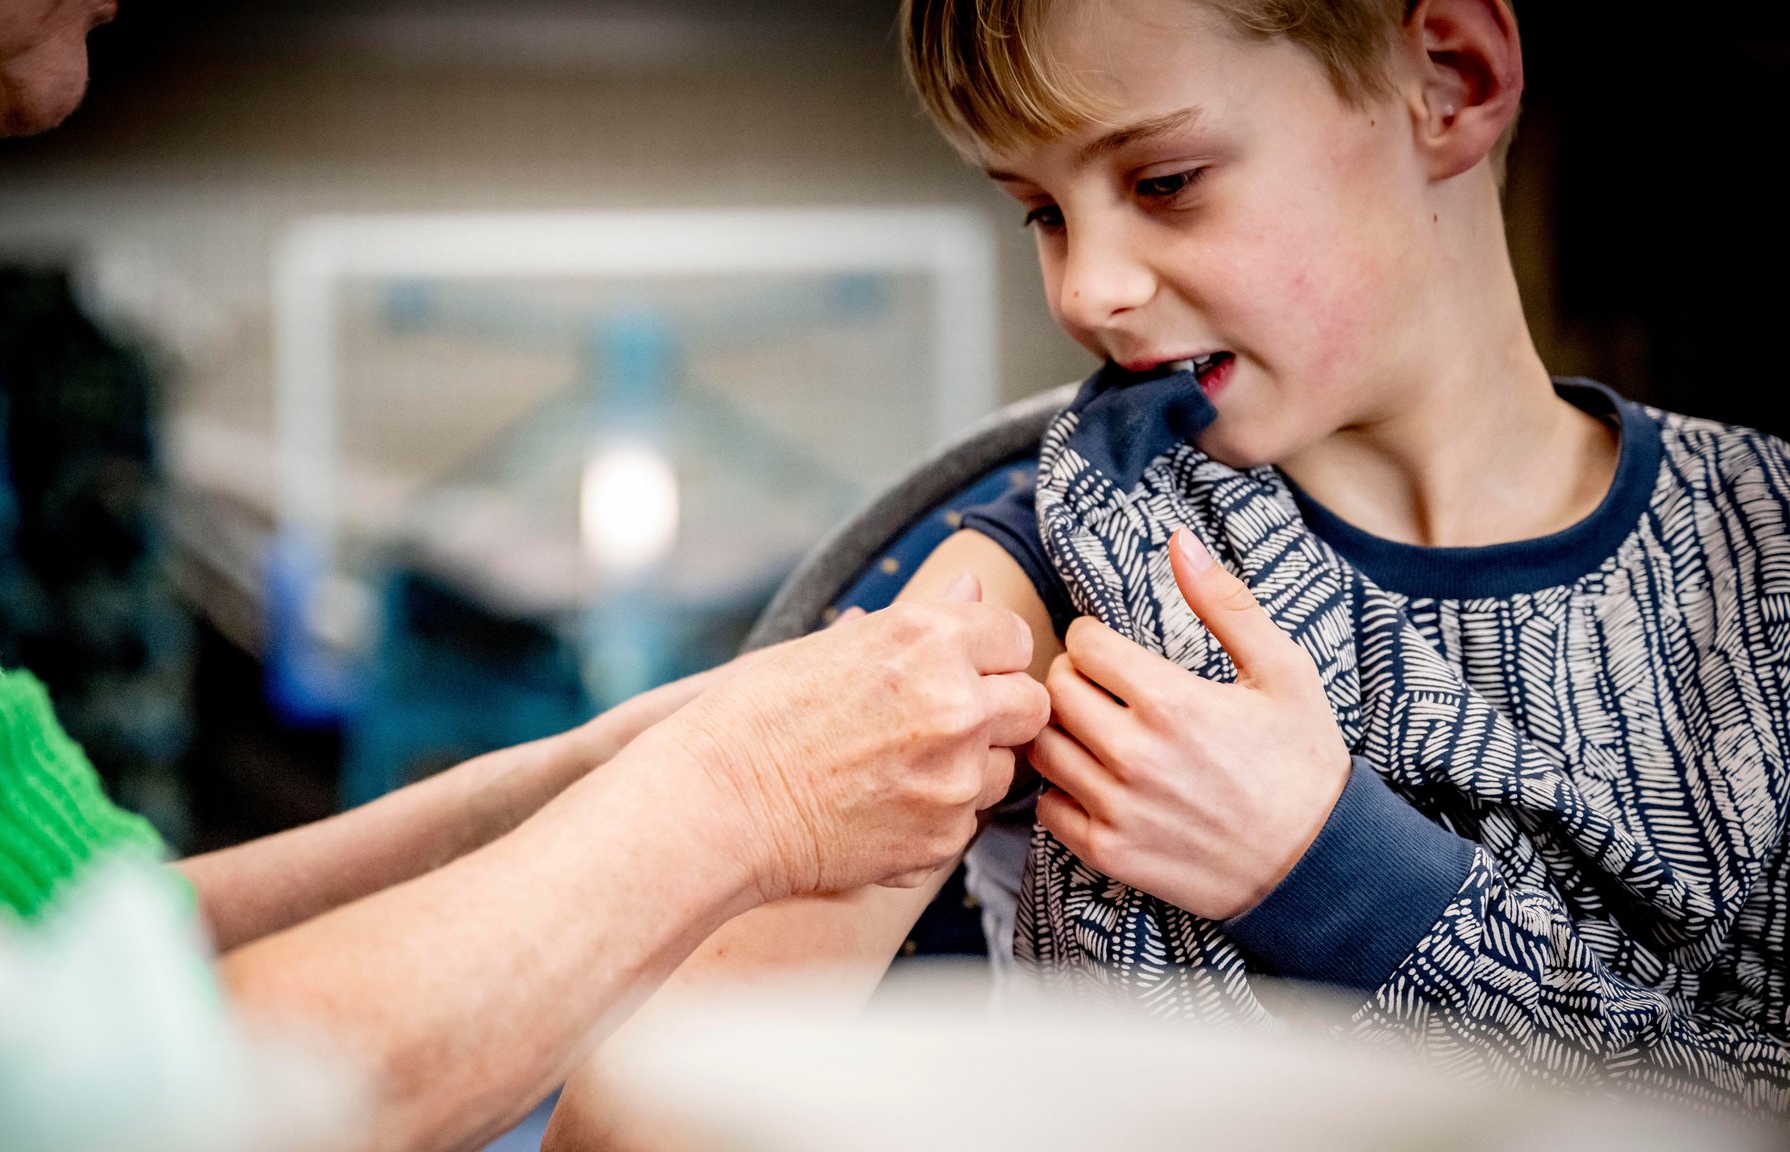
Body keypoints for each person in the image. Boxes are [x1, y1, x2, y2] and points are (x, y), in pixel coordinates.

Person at [0, 3, 1052, 1150]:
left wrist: (578, 775)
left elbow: (85, 940)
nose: (1097, 291)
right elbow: (122, 1092)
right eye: (1045, 216)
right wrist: (743, 790)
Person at [546, 0, 1790, 1138]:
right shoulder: (1066, 550)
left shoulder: (1763, 548)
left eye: (1167, 181)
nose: (1088, 290)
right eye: (1041, 212)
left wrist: (1331, 873)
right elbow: (657, 1096)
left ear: (1450, 82)